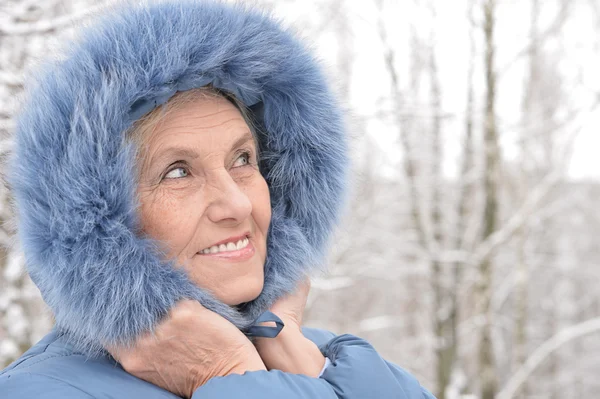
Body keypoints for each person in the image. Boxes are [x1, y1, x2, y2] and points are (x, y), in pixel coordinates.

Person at [0, 1, 436, 398]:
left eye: (244, 159)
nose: (238, 205)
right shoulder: (39, 391)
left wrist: (303, 365)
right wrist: (230, 371)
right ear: (98, 219)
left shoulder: (339, 365)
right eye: (177, 172)